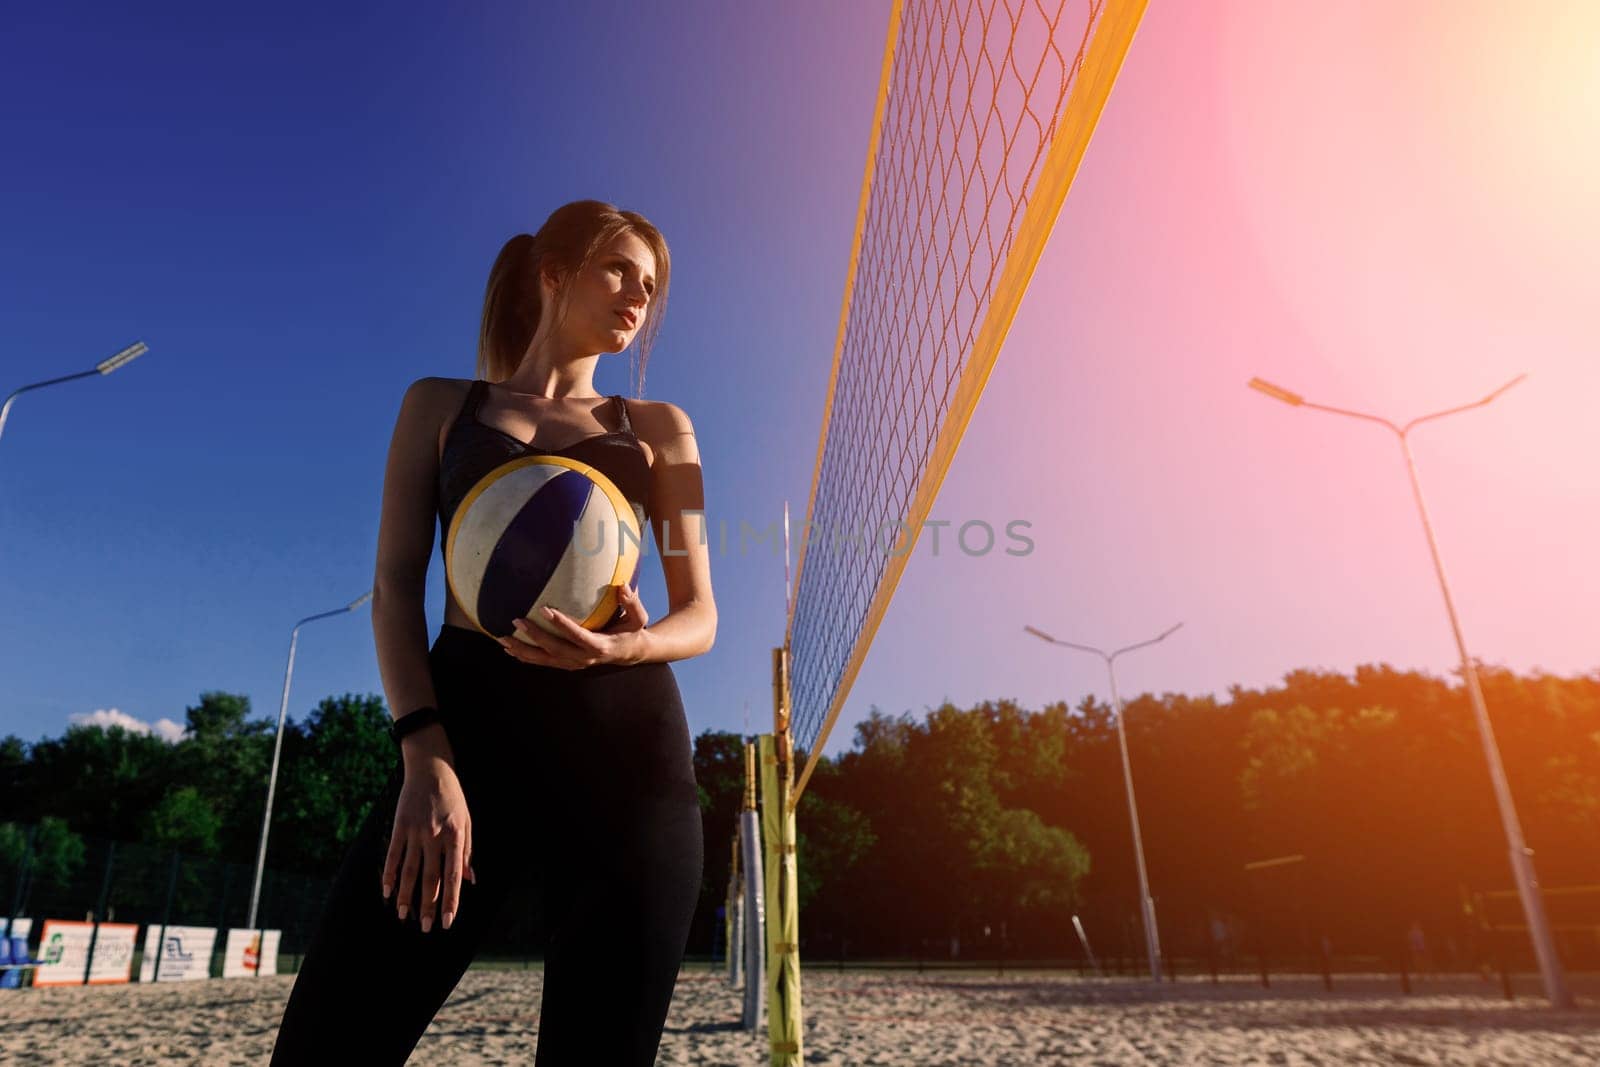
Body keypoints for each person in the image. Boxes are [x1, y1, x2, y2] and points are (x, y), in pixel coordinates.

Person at [272, 200, 715, 1065]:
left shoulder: (662, 429)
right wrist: (425, 756)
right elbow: (395, 587)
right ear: (553, 272)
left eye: (652, 285)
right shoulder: (441, 405)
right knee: (326, 1043)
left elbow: (700, 613)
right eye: (620, 269)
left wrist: (626, 644)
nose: (639, 296)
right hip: (469, 731)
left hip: (628, 752)